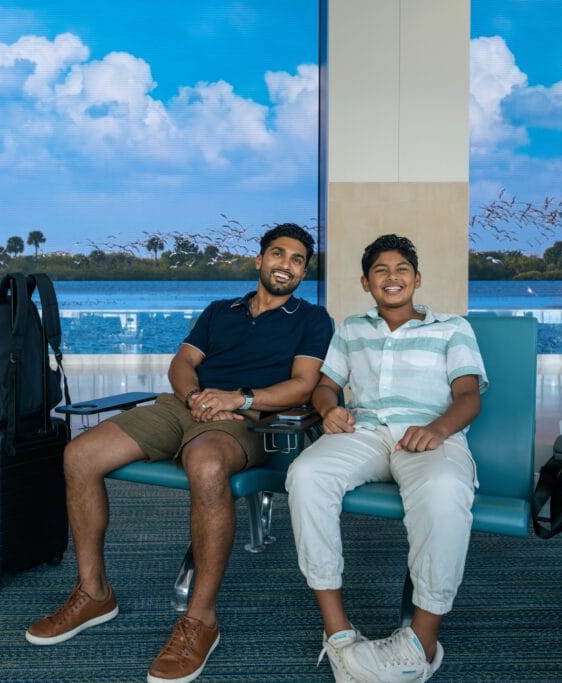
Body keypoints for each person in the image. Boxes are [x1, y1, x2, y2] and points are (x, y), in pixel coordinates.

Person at [26, 223, 333, 683]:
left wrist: (238, 399)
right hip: (184, 406)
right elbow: (182, 363)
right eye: (277, 254)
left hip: (247, 419)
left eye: (296, 260)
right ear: (260, 260)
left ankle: (200, 620)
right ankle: (93, 593)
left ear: (303, 272)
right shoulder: (219, 311)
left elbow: (303, 385)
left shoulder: (313, 320)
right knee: (80, 455)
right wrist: (194, 397)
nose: (285, 265)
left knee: (207, 465)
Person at [286, 234, 487, 683]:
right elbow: (326, 385)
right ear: (365, 282)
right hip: (367, 433)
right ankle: (337, 633)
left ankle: (421, 643)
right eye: (380, 271)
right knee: (306, 473)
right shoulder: (352, 329)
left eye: (401, 270)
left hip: (430, 436)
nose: (391, 277)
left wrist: (437, 429)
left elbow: (469, 396)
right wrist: (327, 408)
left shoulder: (453, 328)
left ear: (417, 279)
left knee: (445, 492)